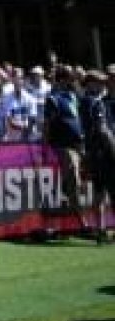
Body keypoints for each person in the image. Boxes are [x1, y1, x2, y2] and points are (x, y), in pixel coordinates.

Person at [43, 65, 89, 233]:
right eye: (70, 78)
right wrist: (45, 145)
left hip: (79, 144)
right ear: (63, 79)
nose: (73, 80)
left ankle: (64, 210)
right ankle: (82, 221)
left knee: (83, 180)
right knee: (74, 178)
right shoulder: (52, 99)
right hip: (64, 145)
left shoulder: (72, 96)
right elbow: (47, 124)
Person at [79, 70, 113, 244]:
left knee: (99, 192)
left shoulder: (83, 100)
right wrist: (112, 148)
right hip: (103, 153)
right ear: (90, 83)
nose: (102, 85)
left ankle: (100, 229)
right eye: (99, 82)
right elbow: (102, 129)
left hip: (93, 152)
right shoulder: (94, 102)